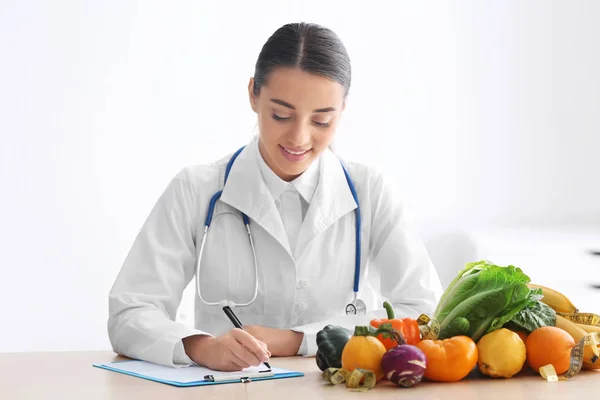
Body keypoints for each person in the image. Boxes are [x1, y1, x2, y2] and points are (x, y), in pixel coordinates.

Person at [107, 22, 443, 372]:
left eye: (322, 121)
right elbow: (129, 312)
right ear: (253, 94)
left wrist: (299, 339)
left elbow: (425, 312)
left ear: (342, 110)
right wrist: (200, 346)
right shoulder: (196, 189)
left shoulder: (372, 190)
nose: (299, 137)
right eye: (281, 115)